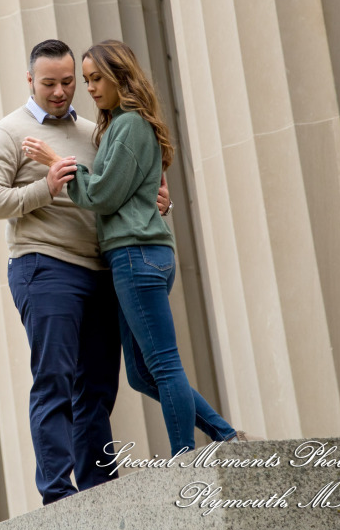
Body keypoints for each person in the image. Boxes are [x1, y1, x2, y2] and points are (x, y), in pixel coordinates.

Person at [22, 39, 245, 457]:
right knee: (142, 374)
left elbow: (101, 197)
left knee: (161, 364)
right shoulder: (123, 125)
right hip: (138, 256)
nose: (88, 88)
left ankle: (185, 456)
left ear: (120, 77)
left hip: (135, 256)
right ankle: (224, 433)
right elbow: (138, 193)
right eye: (85, 80)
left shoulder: (128, 125)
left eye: (95, 79)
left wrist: (57, 161)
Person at [0, 39, 171, 504]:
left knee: (98, 388)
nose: (60, 92)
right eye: (49, 84)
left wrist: (160, 203)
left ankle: (98, 491)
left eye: (68, 83)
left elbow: (116, 189)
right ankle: (59, 496)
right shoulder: (9, 133)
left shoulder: (93, 131)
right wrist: (44, 188)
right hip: (44, 267)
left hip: (101, 269)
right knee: (55, 380)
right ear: (30, 81)